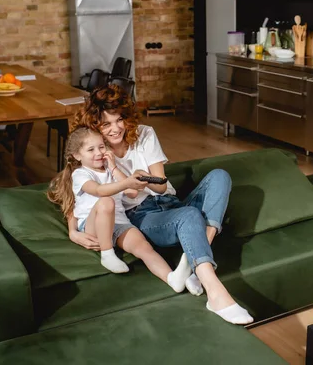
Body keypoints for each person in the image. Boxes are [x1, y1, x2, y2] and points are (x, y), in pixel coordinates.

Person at [69, 85, 253, 325]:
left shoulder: (145, 134)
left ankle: (194, 256)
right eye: (106, 124)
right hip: (142, 215)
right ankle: (216, 293)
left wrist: (144, 178)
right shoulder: (94, 152)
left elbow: (162, 185)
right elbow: (77, 196)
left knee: (220, 176)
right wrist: (73, 231)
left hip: (169, 201)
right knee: (188, 216)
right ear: (95, 126)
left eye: (120, 119)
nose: (116, 128)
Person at [47, 127, 192, 292]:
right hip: (93, 225)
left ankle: (172, 279)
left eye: (101, 147)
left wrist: (115, 168)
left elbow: (132, 192)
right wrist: (127, 182)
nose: (98, 153)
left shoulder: (111, 169)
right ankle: (107, 254)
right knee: (106, 202)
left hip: (120, 223)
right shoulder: (80, 174)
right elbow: (100, 191)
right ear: (77, 156)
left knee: (144, 247)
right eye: (91, 149)